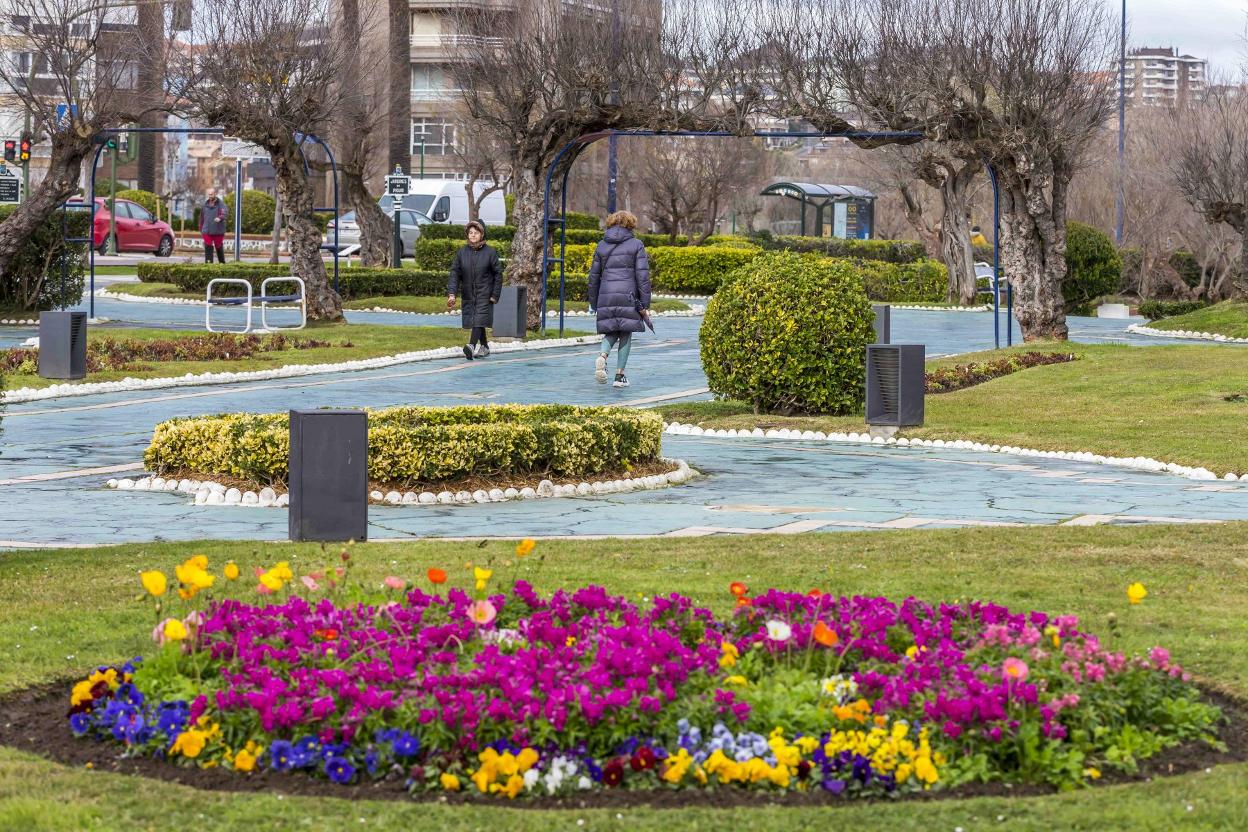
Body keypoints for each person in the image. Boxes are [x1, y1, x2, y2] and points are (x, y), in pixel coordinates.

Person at [588, 210, 651, 388]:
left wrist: (594, 302)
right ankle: (619, 376)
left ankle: (602, 356)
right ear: (631, 224)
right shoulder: (636, 245)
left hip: (606, 294)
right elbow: (642, 276)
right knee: (625, 332)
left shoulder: (601, 245)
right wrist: (644, 303)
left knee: (611, 330)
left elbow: (593, 277)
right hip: (628, 295)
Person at [447, 220, 502, 360]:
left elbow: (498, 274)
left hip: (485, 294)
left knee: (478, 319)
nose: (472, 235)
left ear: (482, 234)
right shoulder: (462, 252)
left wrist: (495, 294)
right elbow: (455, 273)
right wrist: (452, 294)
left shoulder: (490, 252)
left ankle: (471, 346)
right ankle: (485, 347)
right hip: (468, 294)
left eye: (476, 233)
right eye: (470, 232)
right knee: (477, 320)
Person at [200, 189, 227, 263]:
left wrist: (220, 218)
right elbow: (202, 218)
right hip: (206, 230)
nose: (210, 196)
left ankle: (222, 263)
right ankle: (209, 264)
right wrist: (201, 228)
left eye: (211, 194)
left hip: (218, 230)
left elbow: (224, 213)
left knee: (218, 246)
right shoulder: (205, 205)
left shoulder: (221, 204)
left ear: (215, 194)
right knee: (208, 245)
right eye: (208, 194)